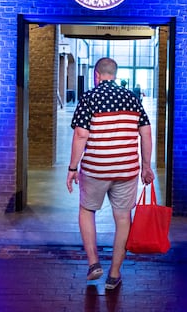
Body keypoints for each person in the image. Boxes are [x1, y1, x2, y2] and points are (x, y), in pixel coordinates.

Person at [66, 57, 155, 290]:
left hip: (96, 169)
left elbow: (80, 135)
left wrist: (72, 168)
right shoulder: (132, 99)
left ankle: (94, 263)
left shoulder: (90, 98)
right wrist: (146, 166)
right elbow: (145, 133)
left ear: (97, 75)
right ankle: (114, 274)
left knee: (87, 211)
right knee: (123, 218)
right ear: (115, 74)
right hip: (126, 170)